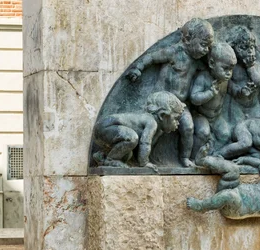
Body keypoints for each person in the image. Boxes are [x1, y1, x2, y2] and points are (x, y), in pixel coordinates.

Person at [125, 18, 214, 167]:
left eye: (208, 46)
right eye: (203, 45)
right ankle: (139, 156)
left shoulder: (198, 60)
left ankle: (185, 157)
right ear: (187, 39)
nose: (206, 50)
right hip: (162, 103)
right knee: (154, 131)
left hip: (180, 105)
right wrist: (138, 68)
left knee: (189, 127)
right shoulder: (173, 52)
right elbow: (152, 57)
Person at [92, 91, 185, 171]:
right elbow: (145, 143)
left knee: (127, 154)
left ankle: (102, 156)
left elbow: (145, 147)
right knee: (132, 138)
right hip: (106, 126)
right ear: (162, 115)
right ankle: (110, 160)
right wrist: (144, 163)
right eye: (176, 119)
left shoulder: (158, 130)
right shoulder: (151, 122)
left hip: (106, 129)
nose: (178, 123)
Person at [190, 42, 237, 153]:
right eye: (225, 69)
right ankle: (195, 156)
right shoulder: (203, 78)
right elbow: (194, 98)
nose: (229, 73)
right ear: (212, 63)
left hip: (216, 117)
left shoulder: (225, 80)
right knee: (203, 132)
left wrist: (242, 91)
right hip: (200, 115)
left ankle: (213, 153)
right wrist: (210, 93)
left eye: (231, 69)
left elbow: (232, 89)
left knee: (225, 134)